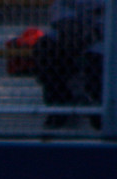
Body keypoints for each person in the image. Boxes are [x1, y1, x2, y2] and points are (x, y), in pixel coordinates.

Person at [31, 0, 105, 129]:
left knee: (99, 58)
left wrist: (96, 32)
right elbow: (59, 7)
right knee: (45, 46)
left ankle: (100, 109)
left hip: (105, 34)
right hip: (72, 29)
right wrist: (69, 25)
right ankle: (59, 105)